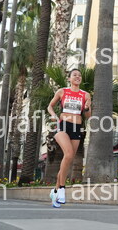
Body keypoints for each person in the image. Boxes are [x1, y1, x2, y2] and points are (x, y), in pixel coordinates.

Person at [47, 68, 91, 208]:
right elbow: (50, 106)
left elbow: (88, 116)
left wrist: (87, 108)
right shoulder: (62, 91)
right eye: (75, 75)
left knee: (68, 160)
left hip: (77, 127)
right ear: (69, 78)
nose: (78, 77)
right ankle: (62, 189)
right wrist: (53, 115)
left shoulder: (86, 95)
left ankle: (55, 191)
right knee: (69, 154)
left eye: (79, 75)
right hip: (62, 125)